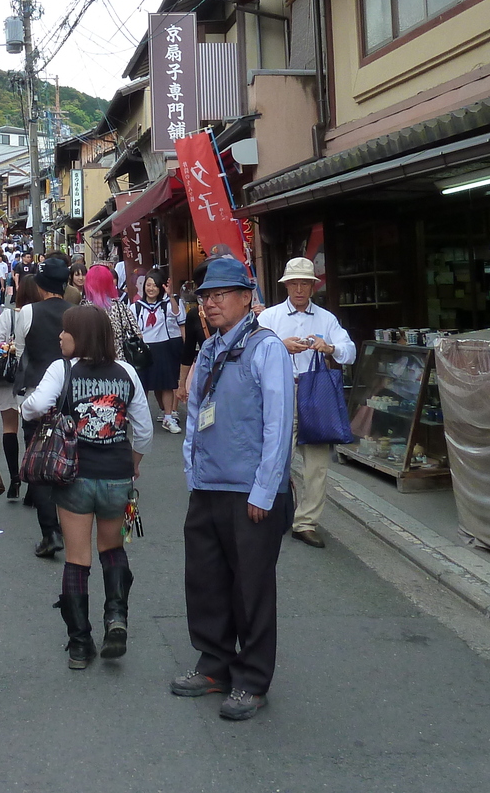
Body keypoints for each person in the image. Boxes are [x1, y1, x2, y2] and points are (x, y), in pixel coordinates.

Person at [172, 254, 294, 721]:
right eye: (206, 296)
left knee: (252, 587)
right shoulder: (208, 349)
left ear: (248, 297)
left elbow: (279, 424)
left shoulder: (267, 348)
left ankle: (252, 679)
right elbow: (194, 415)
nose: (212, 303)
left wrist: (265, 491)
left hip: (250, 492)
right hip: (208, 486)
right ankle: (214, 663)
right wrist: (191, 471)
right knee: (205, 580)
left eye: (221, 294)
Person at [22, 305, 151, 668]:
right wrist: (133, 465)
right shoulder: (126, 371)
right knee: (112, 549)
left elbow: (35, 407)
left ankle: (80, 643)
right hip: (117, 477)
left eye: (66, 331)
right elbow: (143, 430)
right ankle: (116, 618)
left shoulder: (62, 369)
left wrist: (31, 407)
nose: (60, 336)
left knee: (78, 560)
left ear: (81, 335)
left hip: (74, 477)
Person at [258, 257, 355, 549]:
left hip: (316, 395)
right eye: (294, 283)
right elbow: (251, 349)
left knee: (317, 466)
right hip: (281, 393)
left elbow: (349, 352)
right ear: (286, 285)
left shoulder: (326, 319)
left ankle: (306, 523)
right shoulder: (270, 317)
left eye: (305, 283)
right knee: (275, 459)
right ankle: (271, 514)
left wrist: (330, 347)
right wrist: (279, 345)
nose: (299, 289)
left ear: (313, 286)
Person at [14, 254, 71, 557]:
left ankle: (50, 532)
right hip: (69, 396)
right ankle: (72, 523)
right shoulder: (77, 313)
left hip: (37, 394)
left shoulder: (27, 313)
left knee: (37, 464)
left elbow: (22, 353)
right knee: (70, 456)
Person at [0, 273, 41, 500]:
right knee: (33, 430)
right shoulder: (39, 314)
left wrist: (4, 347)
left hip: (8, 377)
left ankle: (15, 479)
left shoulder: (9, 315)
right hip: (31, 377)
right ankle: (33, 482)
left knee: (9, 427)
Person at [134, 271, 185, 434]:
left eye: (155, 285)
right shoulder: (135, 307)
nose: (151, 288)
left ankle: (168, 417)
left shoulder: (166, 305)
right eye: (148, 285)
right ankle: (140, 420)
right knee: (142, 386)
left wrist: (170, 296)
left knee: (166, 385)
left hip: (163, 346)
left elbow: (177, 315)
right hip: (144, 349)